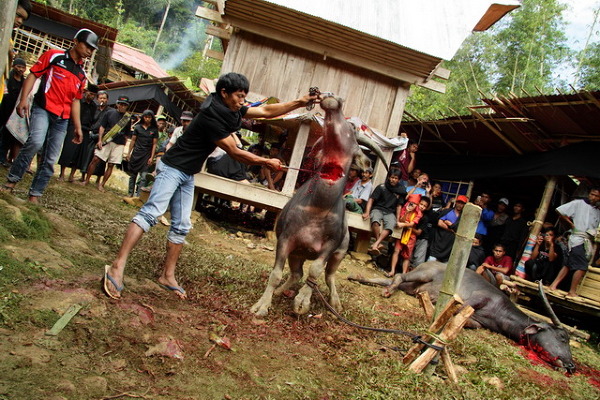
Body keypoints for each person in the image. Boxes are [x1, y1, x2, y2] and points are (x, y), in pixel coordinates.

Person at [101, 72, 318, 300]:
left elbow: (264, 111)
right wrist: (265, 161)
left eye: (244, 96)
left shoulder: (232, 108)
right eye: (239, 96)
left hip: (187, 173)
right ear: (224, 93)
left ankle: (167, 276)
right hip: (172, 168)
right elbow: (234, 151)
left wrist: (300, 102)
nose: (242, 101)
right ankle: (117, 266)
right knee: (150, 214)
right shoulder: (211, 115)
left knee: (182, 225)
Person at [1, 28, 97, 202]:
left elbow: (75, 101)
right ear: (76, 41)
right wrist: (23, 100)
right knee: (35, 142)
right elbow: (33, 75)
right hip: (43, 109)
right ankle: (11, 182)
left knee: (51, 157)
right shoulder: (54, 56)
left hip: (62, 119)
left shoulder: (82, 74)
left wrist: (77, 127)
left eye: (93, 48)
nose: (90, 51)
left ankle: (35, 195)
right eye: (87, 46)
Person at [549, 187, 600, 297]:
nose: (593, 197)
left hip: (587, 239)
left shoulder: (597, 210)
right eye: (592, 194)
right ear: (589, 194)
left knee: (568, 264)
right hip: (577, 239)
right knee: (582, 266)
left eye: (596, 196)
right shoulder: (579, 203)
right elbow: (560, 210)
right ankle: (572, 291)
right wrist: (570, 224)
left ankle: (553, 285)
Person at [81, 95, 131, 192]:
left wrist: (123, 146)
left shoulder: (127, 118)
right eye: (121, 104)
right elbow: (102, 127)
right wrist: (100, 140)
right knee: (95, 159)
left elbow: (127, 134)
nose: (122, 106)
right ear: (117, 104)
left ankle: (102, 184)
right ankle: (86, 180)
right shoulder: (109, 113)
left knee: (111, 165)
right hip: (107, 140)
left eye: (124, 105)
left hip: (119, 144)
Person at [57, 85, 97, 182]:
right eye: (90, 93)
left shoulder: (94, 106)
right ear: (86, 92)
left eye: (93, 95)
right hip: (74, 127)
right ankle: (62, 174)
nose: (91, 96)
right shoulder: (78, 101)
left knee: (80, 154)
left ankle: (72, 175)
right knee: (68, 150)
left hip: (86, 129)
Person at [362, 169, 406, 256]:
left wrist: (397, 220)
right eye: (392, 177)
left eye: (396, 178)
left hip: (390, 212)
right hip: (378, 208)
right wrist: (367, 212)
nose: (393, 179)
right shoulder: (382, 187)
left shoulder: (401, 191)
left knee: (390, 226)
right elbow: (371, 199)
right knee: (375, 221)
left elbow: (399, 206)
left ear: (399, 180)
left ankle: (376, 244)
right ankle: (378, 243)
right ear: (389, 177)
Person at [0, 58, 27, 167]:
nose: (21, 69)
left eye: (23, 67)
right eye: (18, 66)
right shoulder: (7, 79)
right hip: (3, 110)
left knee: (8, 136)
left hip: (14, 113)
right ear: (13, 66)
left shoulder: (24, 83)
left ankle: (3, 158)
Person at [125, 109, 158, 197]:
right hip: (136, 153)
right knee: (133, 175)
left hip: (146, 155)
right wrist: (129, 153)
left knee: (143, 176)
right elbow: (133, 140)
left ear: (152, 118)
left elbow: (154, 144)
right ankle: (130, 193)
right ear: (143, 117)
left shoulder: (154, 130)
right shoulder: (138, 127)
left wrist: (152, 157)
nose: (147, 119)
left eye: (149, 117)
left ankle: (139, 196)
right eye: (146, 117)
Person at [388, 193, 422, 276]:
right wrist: (407, 211)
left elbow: (411, 224)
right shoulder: (404, 208)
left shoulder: (419, 213)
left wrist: (403, 224)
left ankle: (403, 274)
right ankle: (392, 271)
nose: (412, 205)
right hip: (401, 233)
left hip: (410, 235)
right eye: (411, 203)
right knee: (396, 251)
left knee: (407, 256)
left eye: (414, 204)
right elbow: (400, 219)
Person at [428, 195, 468, 262]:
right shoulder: (447, 211)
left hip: (449, 247)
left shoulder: (463, 217)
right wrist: (451, 230)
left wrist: (451, 224)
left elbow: (461, 230)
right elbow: (439, 223)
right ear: (456, 202)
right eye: (459, 202)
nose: (460, 205)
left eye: (462, 203)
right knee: (430, 264)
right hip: (439, 243)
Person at [411, 196, 433, 266]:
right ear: (418, 203)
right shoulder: (411, 212)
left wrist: (408, 226)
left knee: (418, 261)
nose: (422, 207)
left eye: (424, 206)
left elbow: (418, 232)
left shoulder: (424, 217)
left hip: (422, 238)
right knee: (408, 257)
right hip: (411, 237)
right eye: (421, 204)